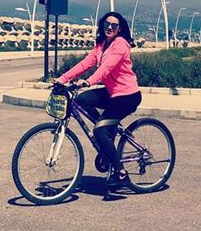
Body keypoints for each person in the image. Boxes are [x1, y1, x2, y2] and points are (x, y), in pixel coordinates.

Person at [55, 11, 141, 190]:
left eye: (114, 25)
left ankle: (120, 173)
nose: (110, 27)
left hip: (127, 96)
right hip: (111, 92)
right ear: (102, 25)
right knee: (80, 99)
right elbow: (85, 64)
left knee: (99, 130)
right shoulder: (101, 45)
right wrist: (62, 79)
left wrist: (88, 81)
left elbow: (106, 69)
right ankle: (107, 134)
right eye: (107, 24)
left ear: (119, 29)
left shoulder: (120, 45)